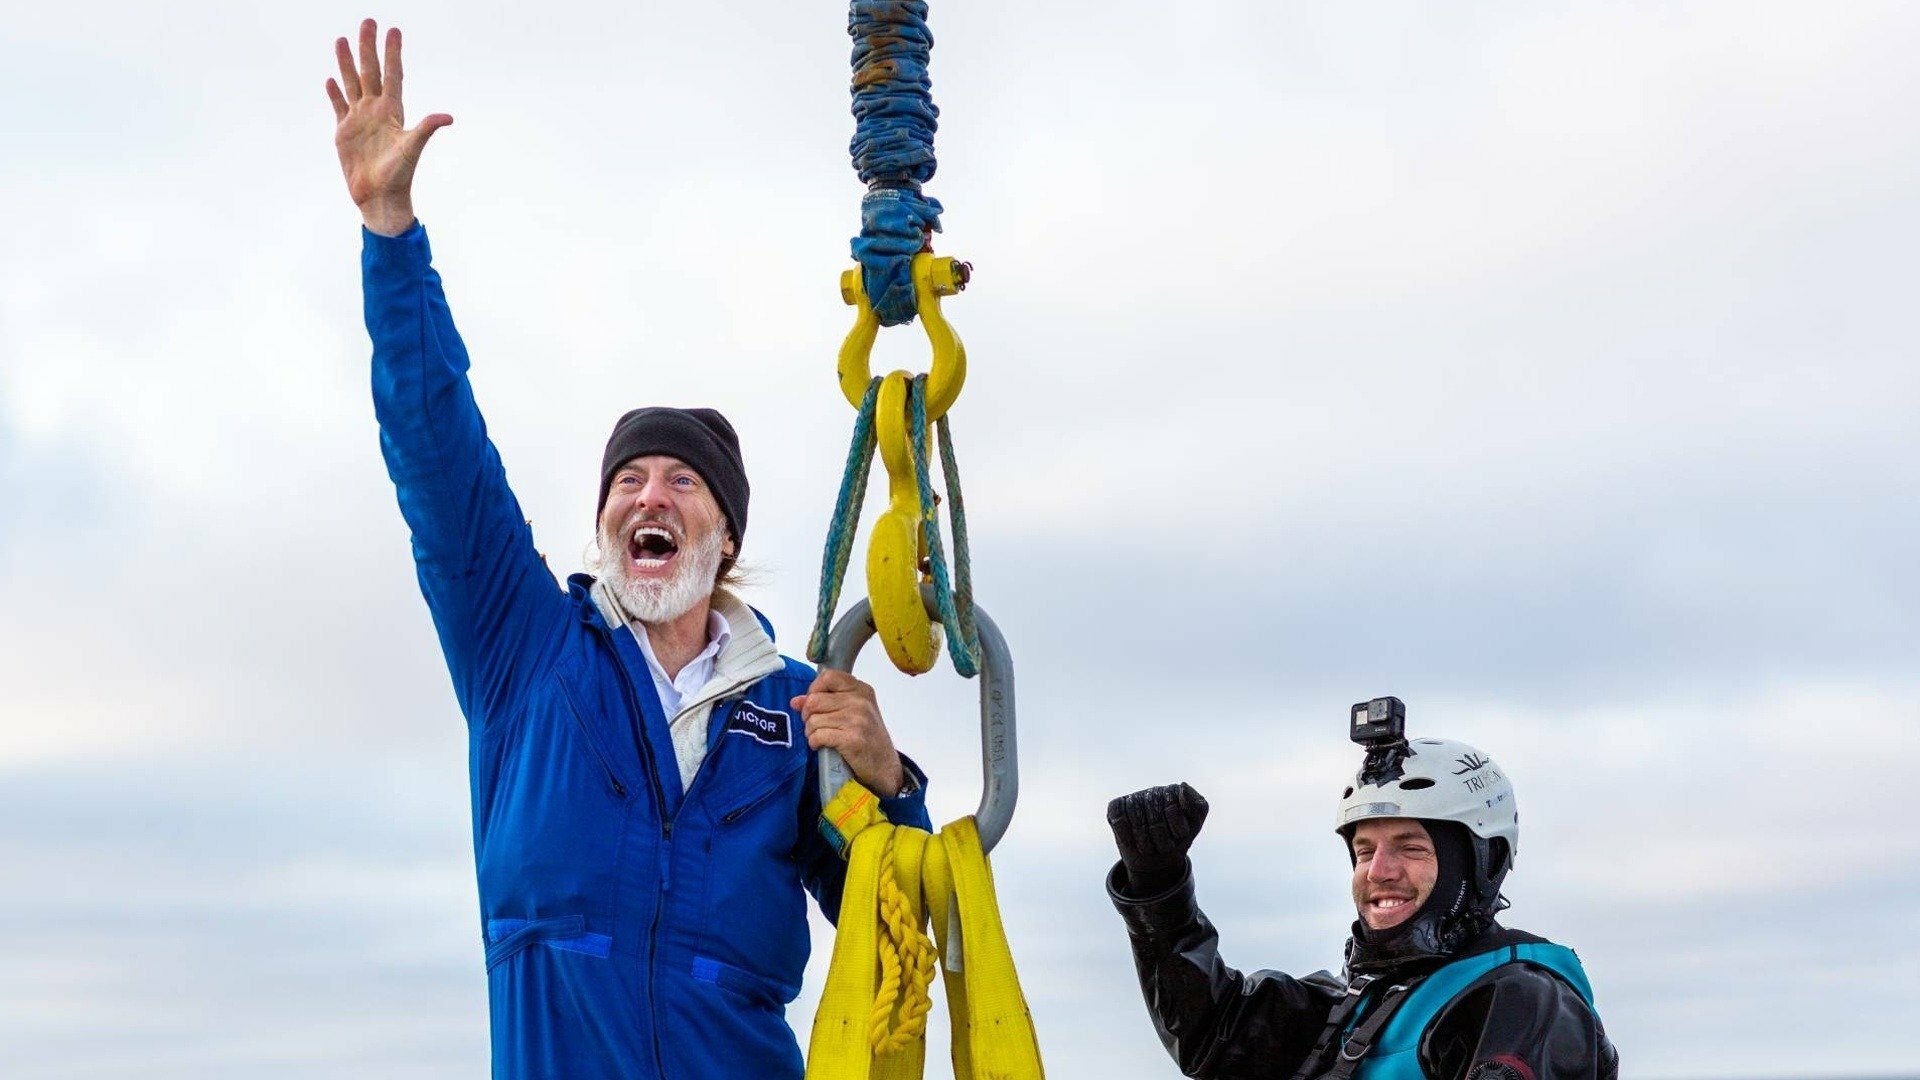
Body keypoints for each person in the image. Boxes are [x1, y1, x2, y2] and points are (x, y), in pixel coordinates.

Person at [324, 20, 931, 1079]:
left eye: (682, 482)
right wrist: (390, 232)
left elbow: (894, 933)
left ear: (724, 537)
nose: (650, 495)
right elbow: (436, 451)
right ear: (607, 520)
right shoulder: (525, 651)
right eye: (628, 480)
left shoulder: (797, 710)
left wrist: (889, 786)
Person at [1105, 717, 1618, 1079]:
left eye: (1410, 847)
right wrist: (1158, 889)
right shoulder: (1354, 1007)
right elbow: (1212, 1037)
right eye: (1364, 850)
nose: (1378, 871)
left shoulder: (1519, 1002)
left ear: (1483, 862)